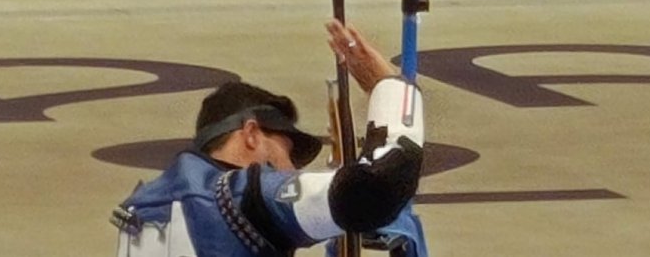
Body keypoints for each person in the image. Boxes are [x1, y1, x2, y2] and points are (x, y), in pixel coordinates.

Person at [111, 20, 427, 257]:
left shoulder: (147, 207)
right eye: (286, 153)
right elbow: (376, 187)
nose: (289, 171)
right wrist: (390, 87)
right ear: (251, 134)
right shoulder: (246, 198)